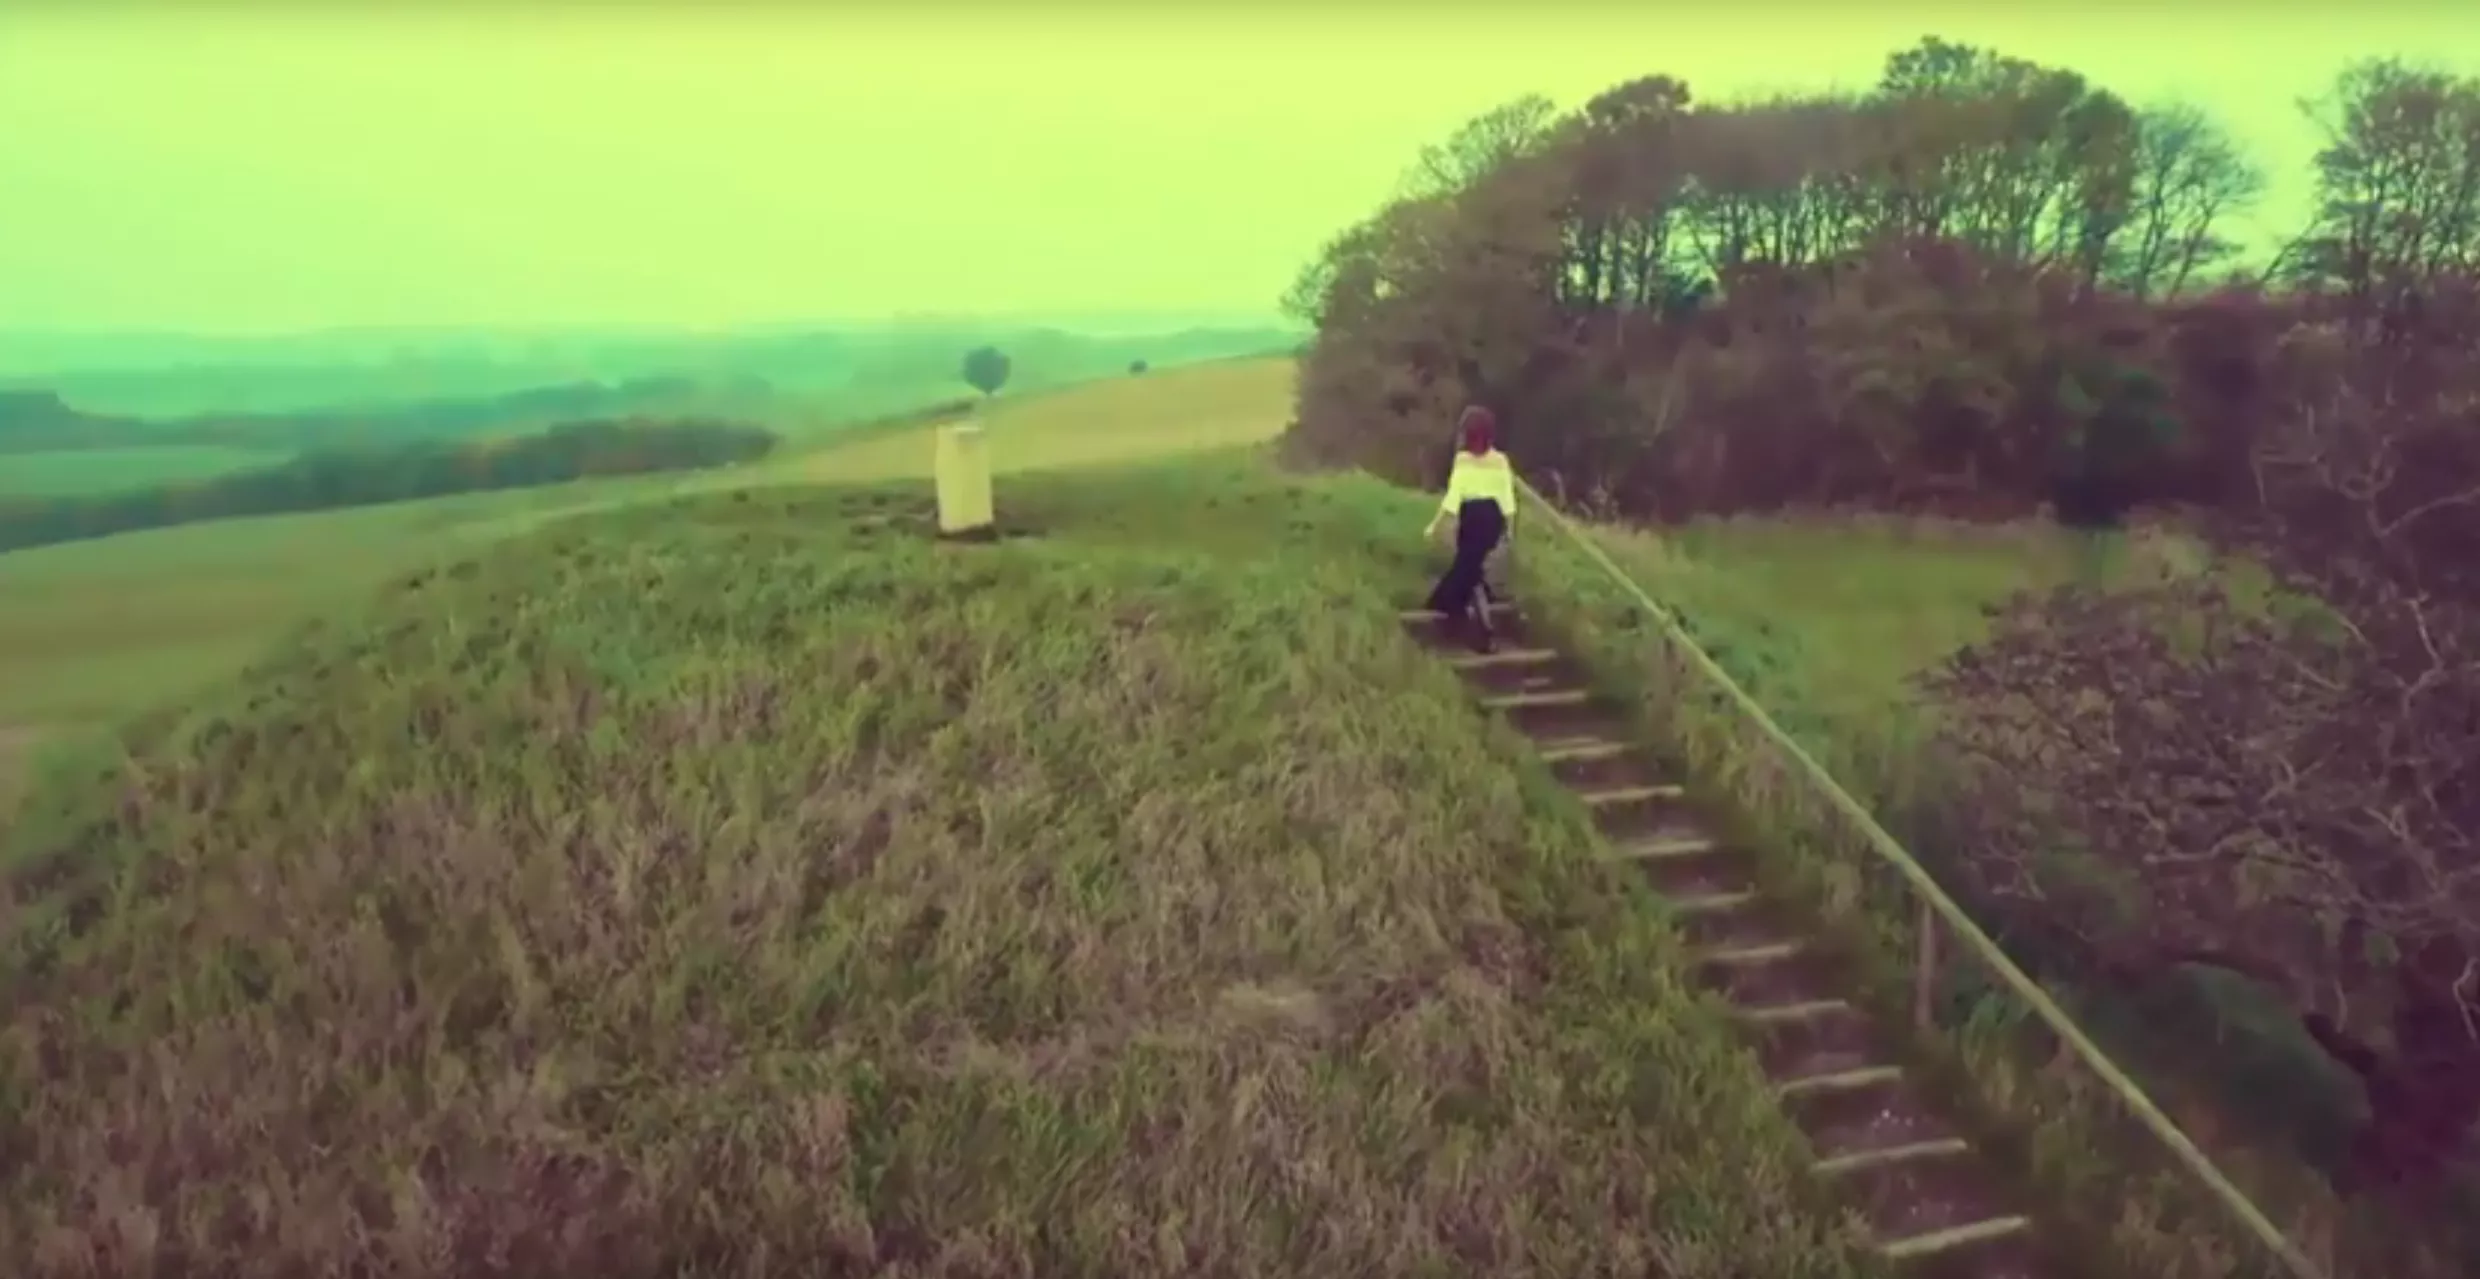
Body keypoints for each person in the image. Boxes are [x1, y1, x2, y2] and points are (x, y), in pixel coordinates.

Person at [1422, 405, 1516, 653]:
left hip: (1475, 518)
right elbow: (1507, 499)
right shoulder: (1500, 461)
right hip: (1490, 519)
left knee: (1469, 570)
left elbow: (1454, 497)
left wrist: (1436, 523)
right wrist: (1509, 527)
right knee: (1471, 570)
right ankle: (1464, 616)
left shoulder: (1464, 460)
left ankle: (1477, 625)